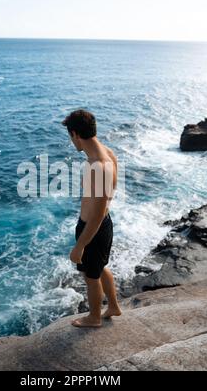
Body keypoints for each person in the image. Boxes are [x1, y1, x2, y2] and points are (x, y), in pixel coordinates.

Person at [62, 109, 122, 328]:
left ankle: (94, 317)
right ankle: (113, 306)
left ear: (76, 134)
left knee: (91, 276)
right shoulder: (107, 153)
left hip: (94, 227)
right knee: (100, 266)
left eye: (70, 136)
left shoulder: (99, 165)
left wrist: (80, 245)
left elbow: (96, 214)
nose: (72, 141)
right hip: (101, 224)